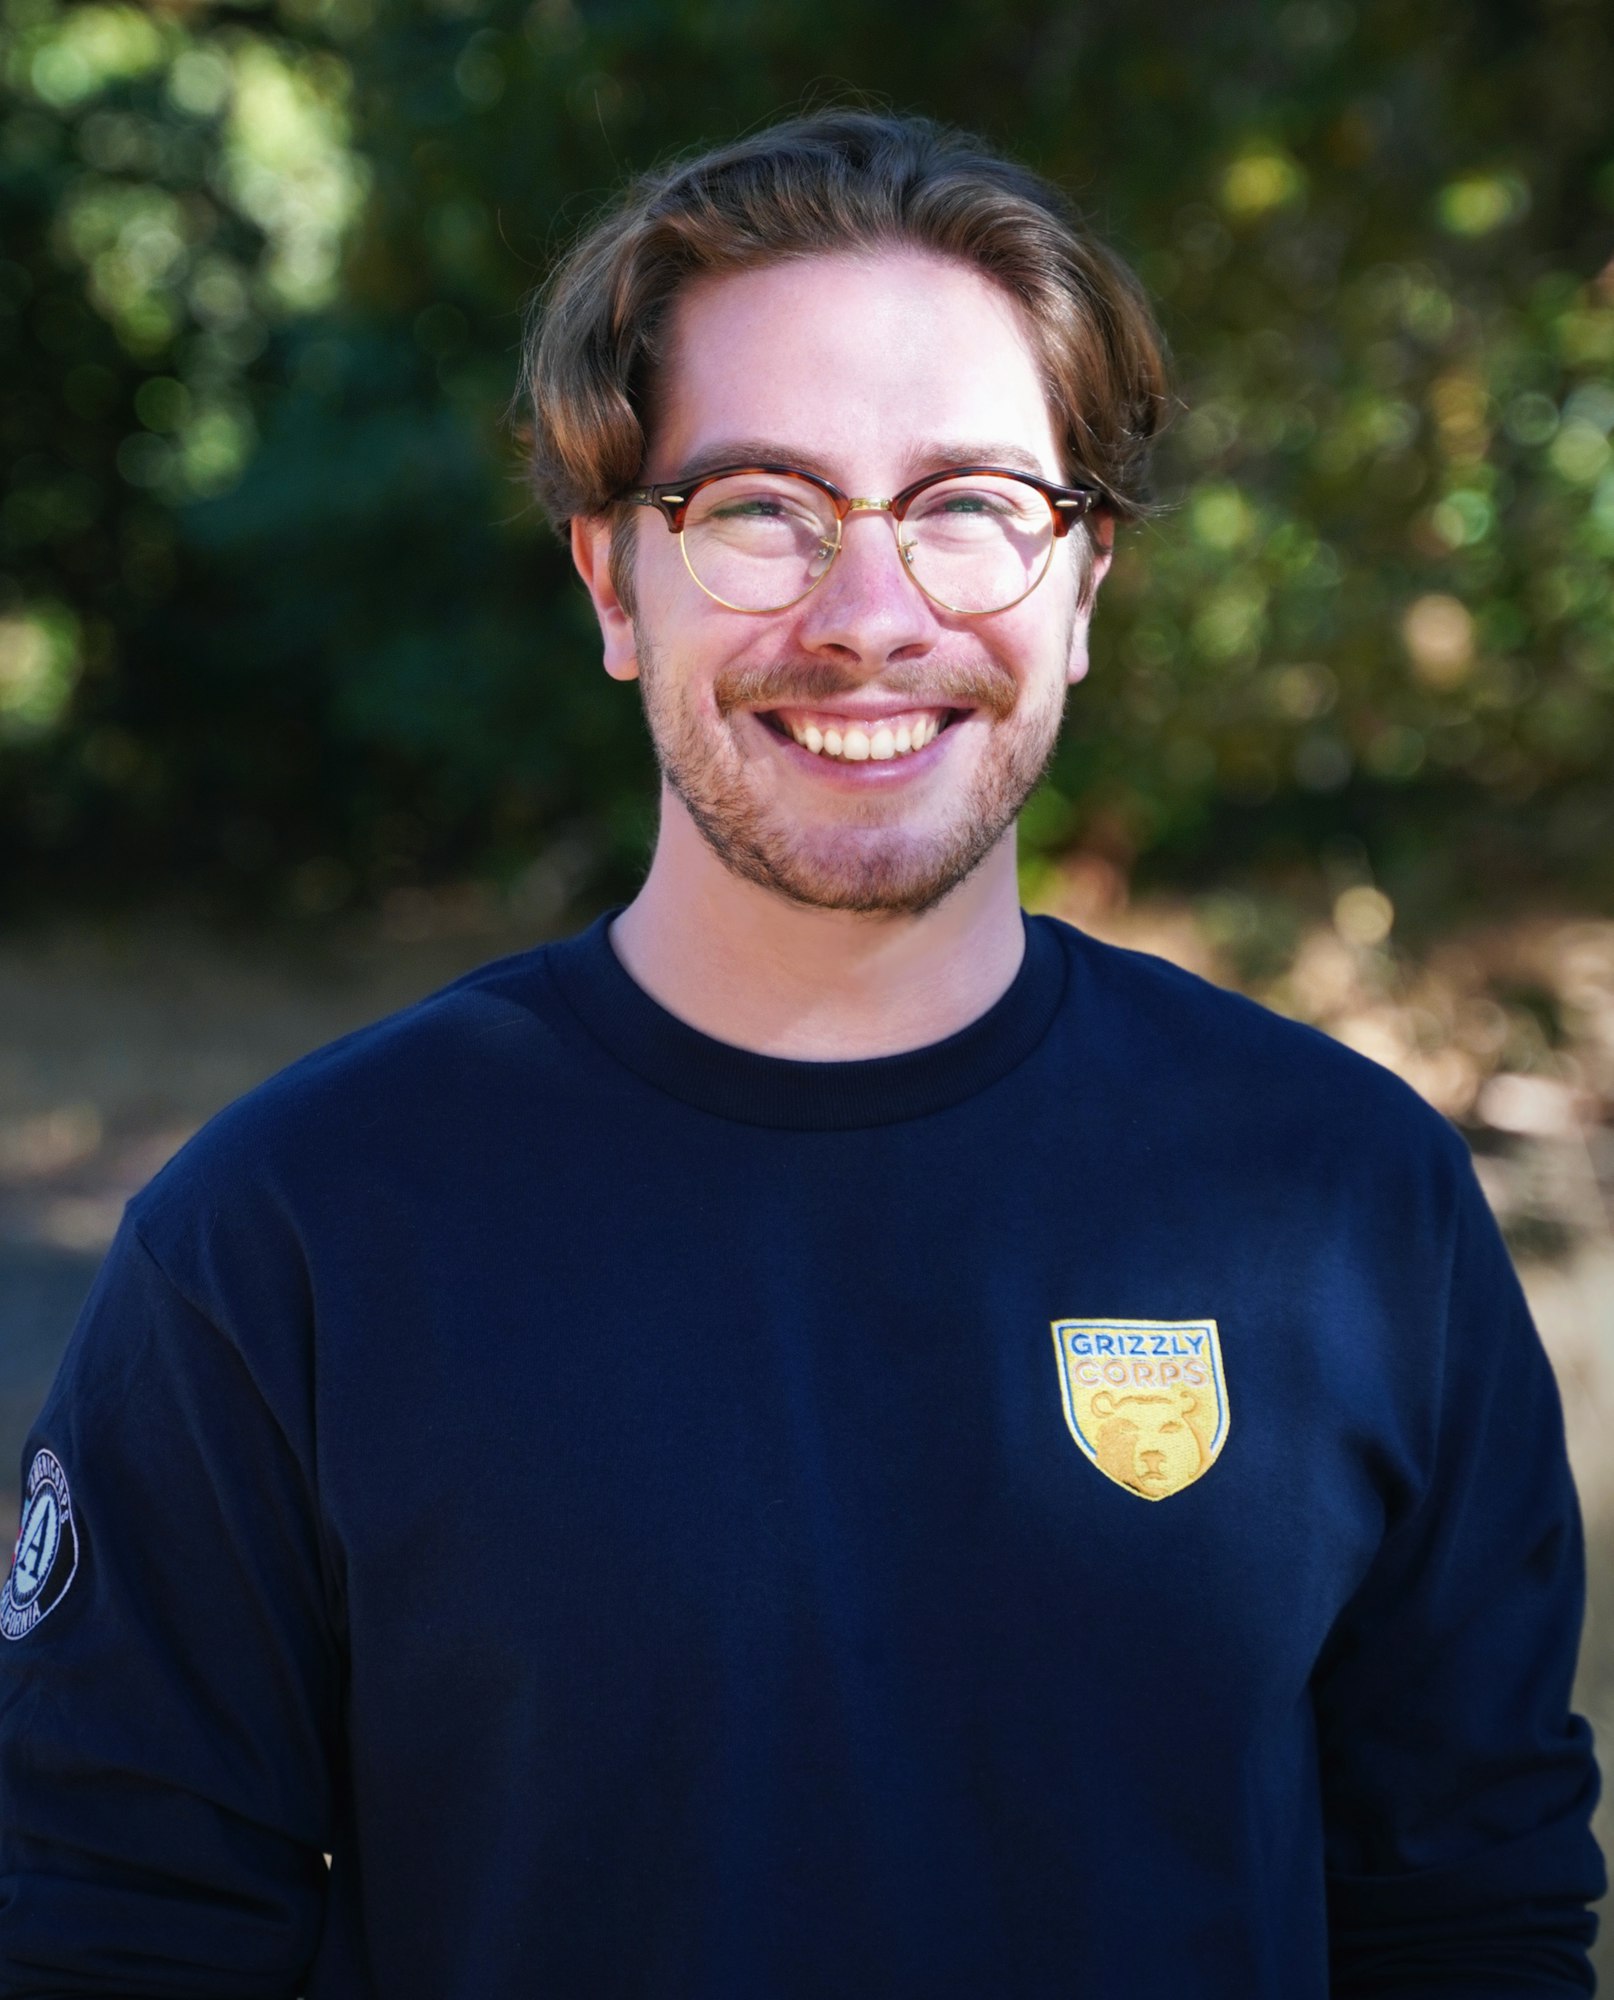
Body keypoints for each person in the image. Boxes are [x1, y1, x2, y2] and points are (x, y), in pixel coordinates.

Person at [0, 109, 1603, 1998]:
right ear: (611, 582)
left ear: (1082, 586)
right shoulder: (287, 1241)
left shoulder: (1348, 1199)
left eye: (970, 505)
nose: (869, 614)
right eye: (760, 507)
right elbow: (115, 1932)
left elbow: (1466, 1919)